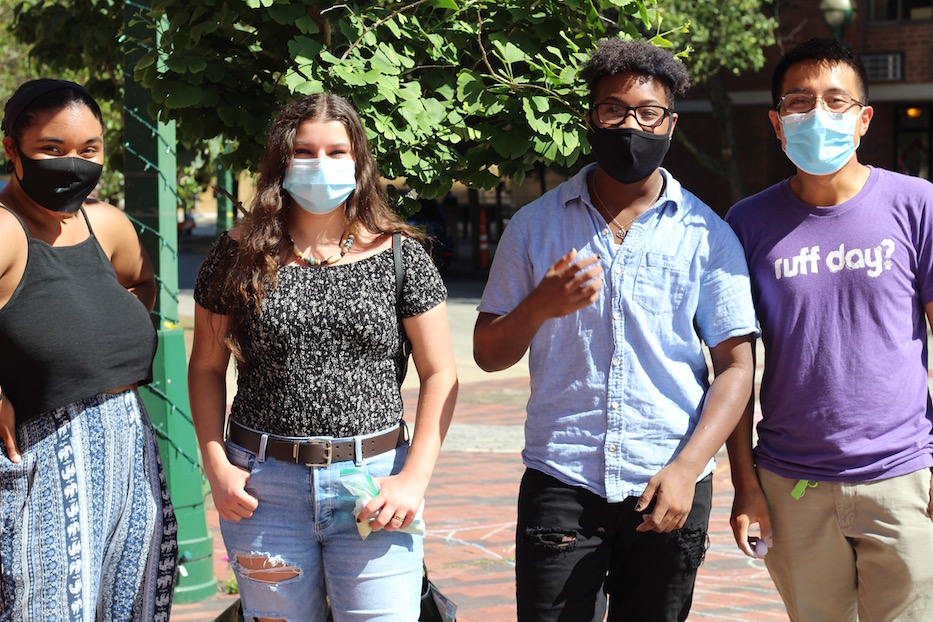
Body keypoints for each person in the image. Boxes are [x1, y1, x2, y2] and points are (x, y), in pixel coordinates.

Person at [473, 38, 758, 622]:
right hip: (562, 479)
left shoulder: (708, 234)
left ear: (671, 124)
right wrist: (539, 306)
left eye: (647, 113)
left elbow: (736, 366)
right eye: (613, 110)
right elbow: (487, 353)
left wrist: (688, 469)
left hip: (669, 482)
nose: (630, 125)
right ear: (590, 118)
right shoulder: (534, 226)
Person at [188, 93, 458, 621]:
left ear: (358, 162)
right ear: (280, 162)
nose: (320, 165)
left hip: (374, 488)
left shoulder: (403, 255)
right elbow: (205, 367)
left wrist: (414, 479)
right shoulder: (236, 256)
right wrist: (216, 464)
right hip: (263, 489)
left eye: (336, 152)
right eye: (304, 152)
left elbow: (440, 371)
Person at [725, 38, 933, 621]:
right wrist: (745, 484)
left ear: (864, 118)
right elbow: (733, 364)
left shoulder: (917, 205)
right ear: (776, 121)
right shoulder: (746, 223)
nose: (818, 114)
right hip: (792, 486)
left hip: (904, 479)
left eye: (836, 101)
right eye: (799, 101)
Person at [0, 79, 177, 620]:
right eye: (52, 150)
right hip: (44, 455)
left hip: (130, 445)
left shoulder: (105, 224)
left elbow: (141, 284)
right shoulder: (5, 230)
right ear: (12, 149)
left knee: (135, 607)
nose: (73, 164)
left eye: (88, 151)